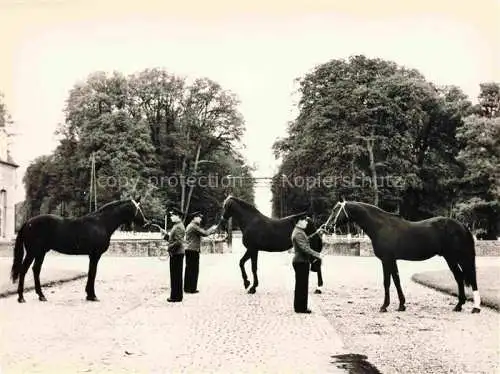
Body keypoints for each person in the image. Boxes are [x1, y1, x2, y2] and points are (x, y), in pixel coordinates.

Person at [291, 215, 323, 314]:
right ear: (299, 222)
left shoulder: (299, 232)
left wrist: (317, 232)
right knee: (302, 286)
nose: (306, 222)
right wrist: (318, 254)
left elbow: (306, 240)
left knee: (301, 285)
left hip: (301, 261)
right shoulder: (298, 233)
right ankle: (301, 308)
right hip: (301, 261)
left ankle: (299, 307)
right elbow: (305, 248)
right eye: (305, 221)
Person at [184, 211, 218, 293]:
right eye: (199, 217)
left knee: (189, 269)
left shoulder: (191, 225)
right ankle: (192, 289)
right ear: (194, 218)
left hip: (189, 249)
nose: (200, 219)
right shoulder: (194, 226)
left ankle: (187, 288)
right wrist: (213, 228)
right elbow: (205, 233)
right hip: (193, 250)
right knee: (194, 269)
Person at [166, 207, 185, 302]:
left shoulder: (178, 226)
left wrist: (169, 247)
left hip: (177, 254)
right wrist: (166, 236)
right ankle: (176, 295)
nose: (171, 217)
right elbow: (174, 239)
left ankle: (176, 297)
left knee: (176, 275)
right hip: (176, 253)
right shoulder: (177, 225)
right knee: (175, 275)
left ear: (178, 216)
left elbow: (178, 242)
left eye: (172, 215)